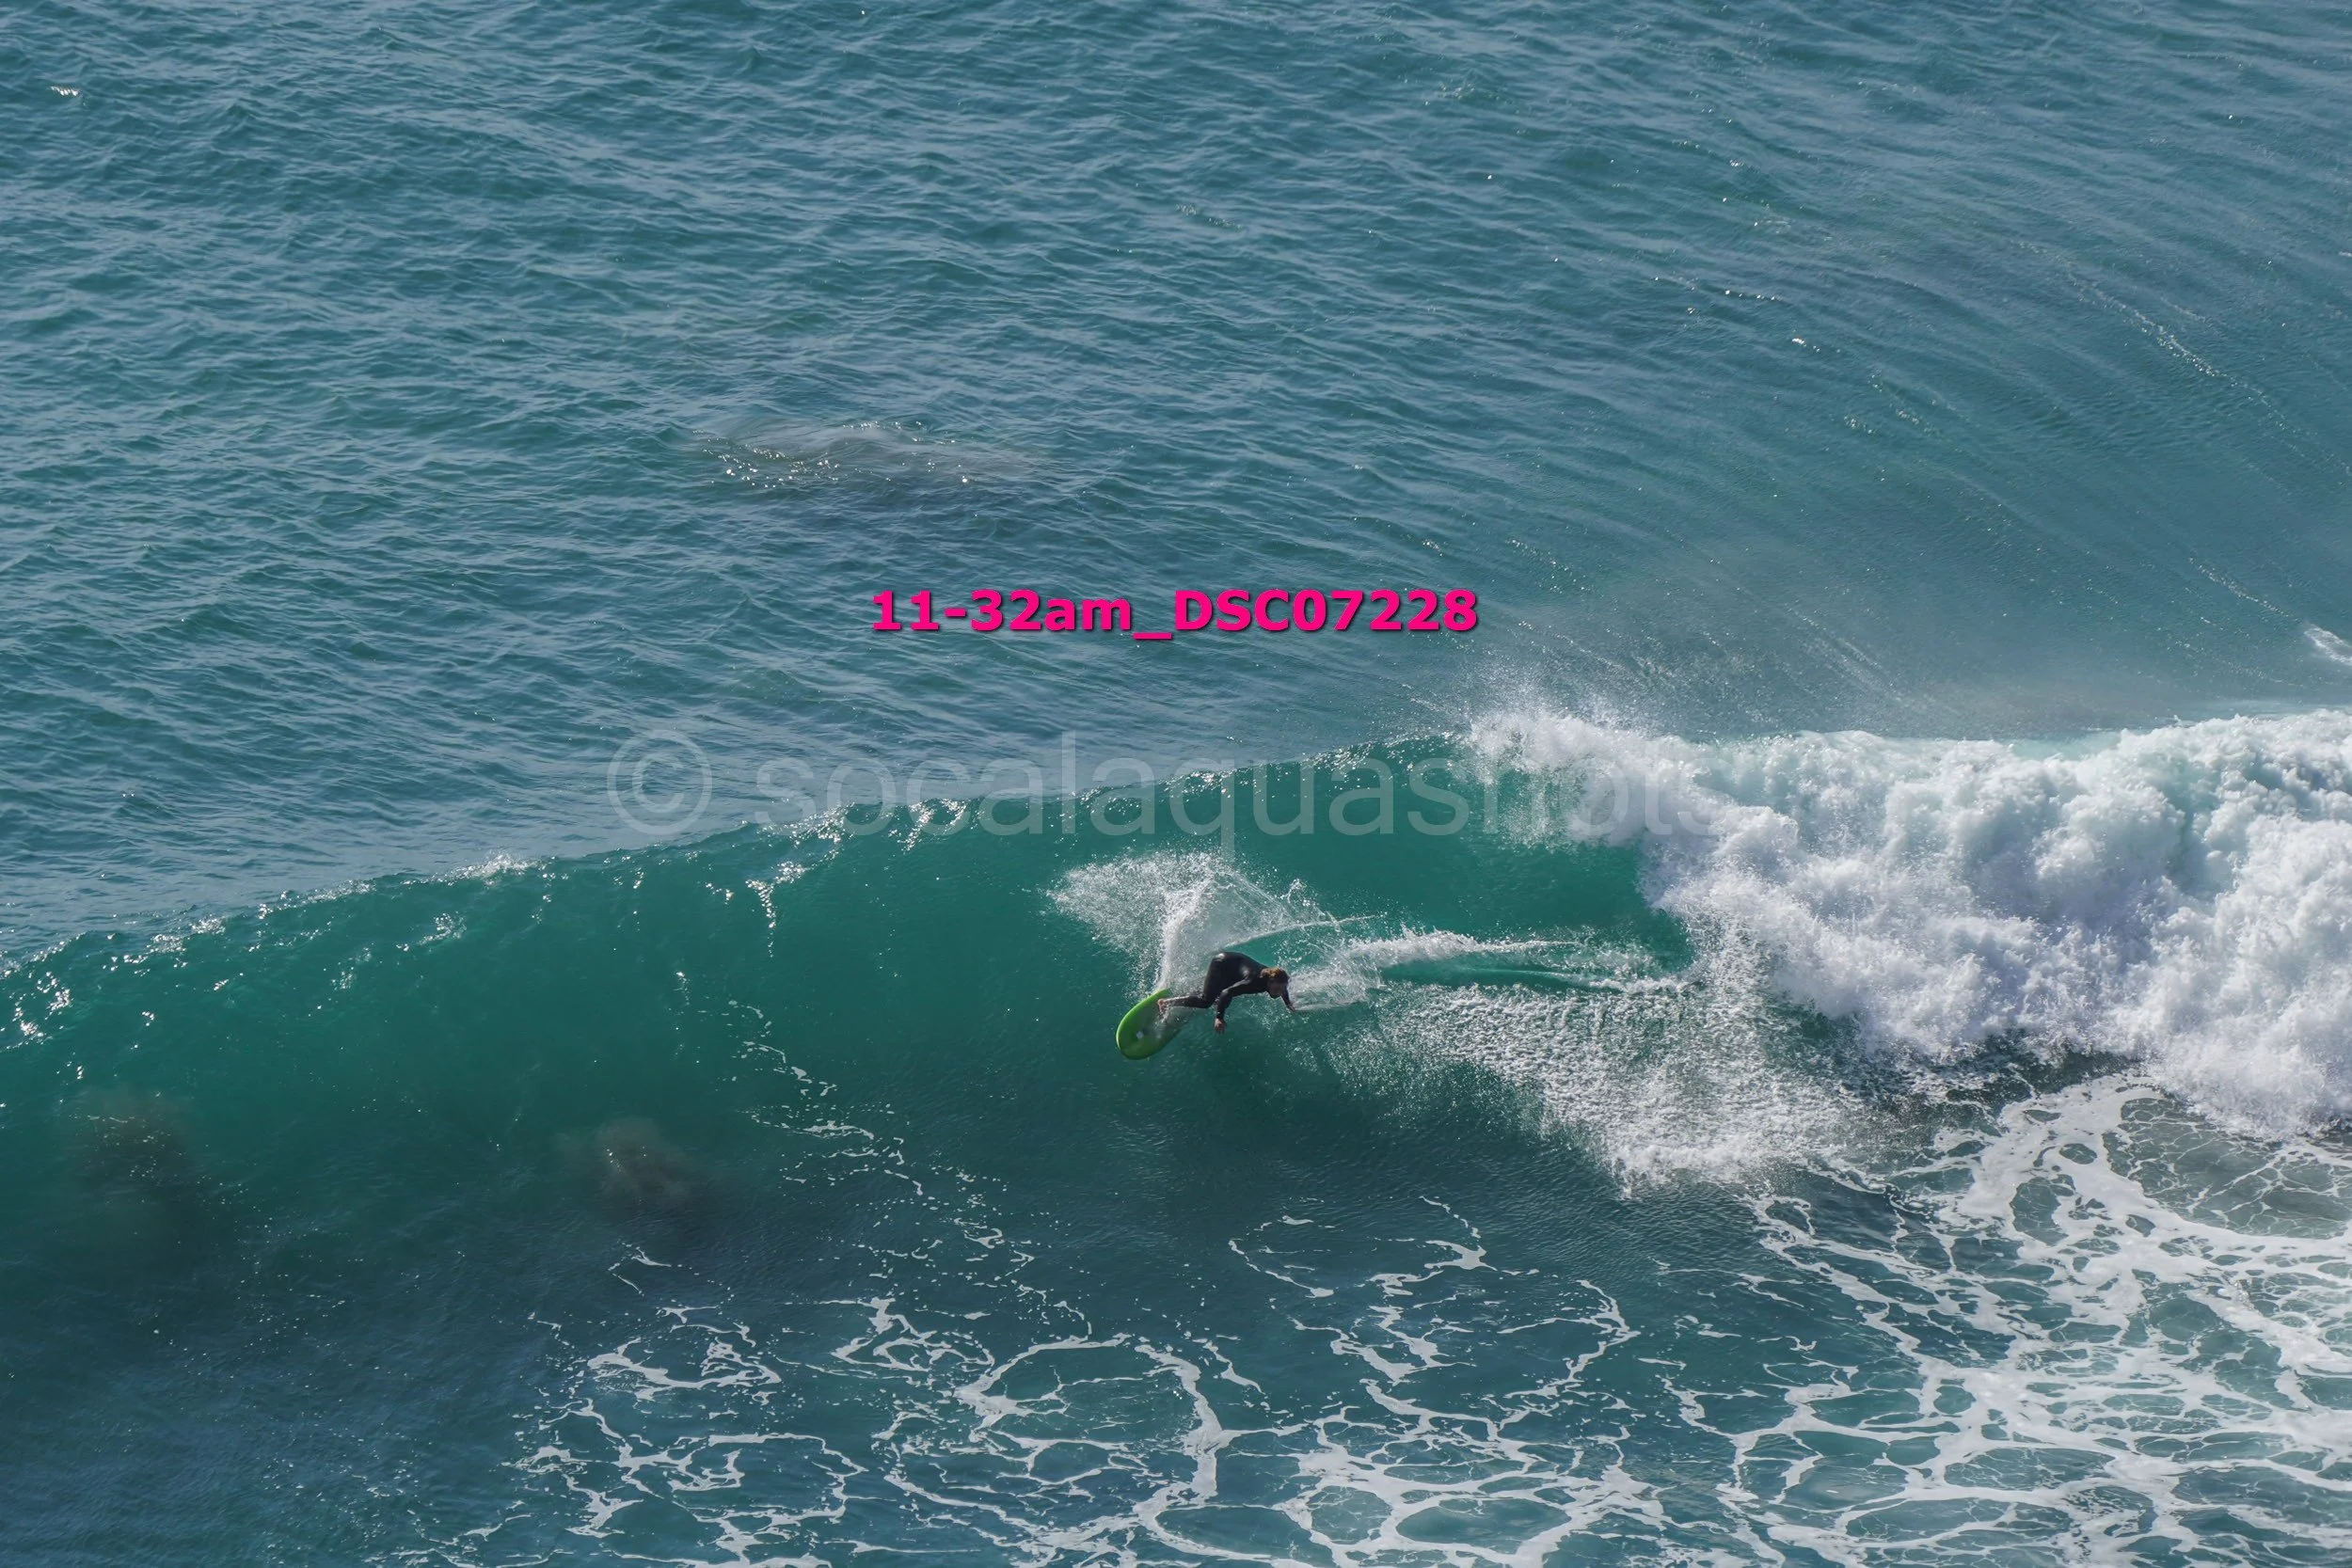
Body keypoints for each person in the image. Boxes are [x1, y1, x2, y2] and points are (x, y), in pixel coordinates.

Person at [1164, 950, 1294, 1031]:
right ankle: (1166, 1003)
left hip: (1234, 968)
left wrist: (1288, 1004)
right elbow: (1227, 992)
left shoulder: (1274, 979)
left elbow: (1283, 988)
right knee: (1206, 1002)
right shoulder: (1253, 982)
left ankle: (1196, 993)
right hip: (1222, 963)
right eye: (1277, 989)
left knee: (1217, 999)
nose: (1279, 993)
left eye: (1281, 990)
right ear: (1270, 982)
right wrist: (1219, 1018)